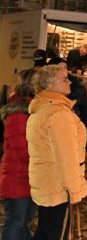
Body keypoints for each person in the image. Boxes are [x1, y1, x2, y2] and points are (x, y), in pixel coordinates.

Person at [26, 64, 87, 239]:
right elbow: (66, 158)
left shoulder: (43, 108)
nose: (69, 82)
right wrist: (74, 191)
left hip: (47, 183)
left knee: (46, 230)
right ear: (50, 85)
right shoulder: (58, 114)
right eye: (64, 79)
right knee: (55, 233)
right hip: (58, 187)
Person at [0, 68, 37, 239]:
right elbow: (23, 150)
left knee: (24, 221)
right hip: (17, 177)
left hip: (27, 177)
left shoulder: (30, 110)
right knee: (16, 221)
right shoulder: (18, 113)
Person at [46, 58, 87, 139]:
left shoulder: (76, 85)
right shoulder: (46, 89)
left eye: (65, 67)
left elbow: (84, 108)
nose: (64, 70)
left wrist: (83, 126)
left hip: (74, 128)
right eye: (59, 68)